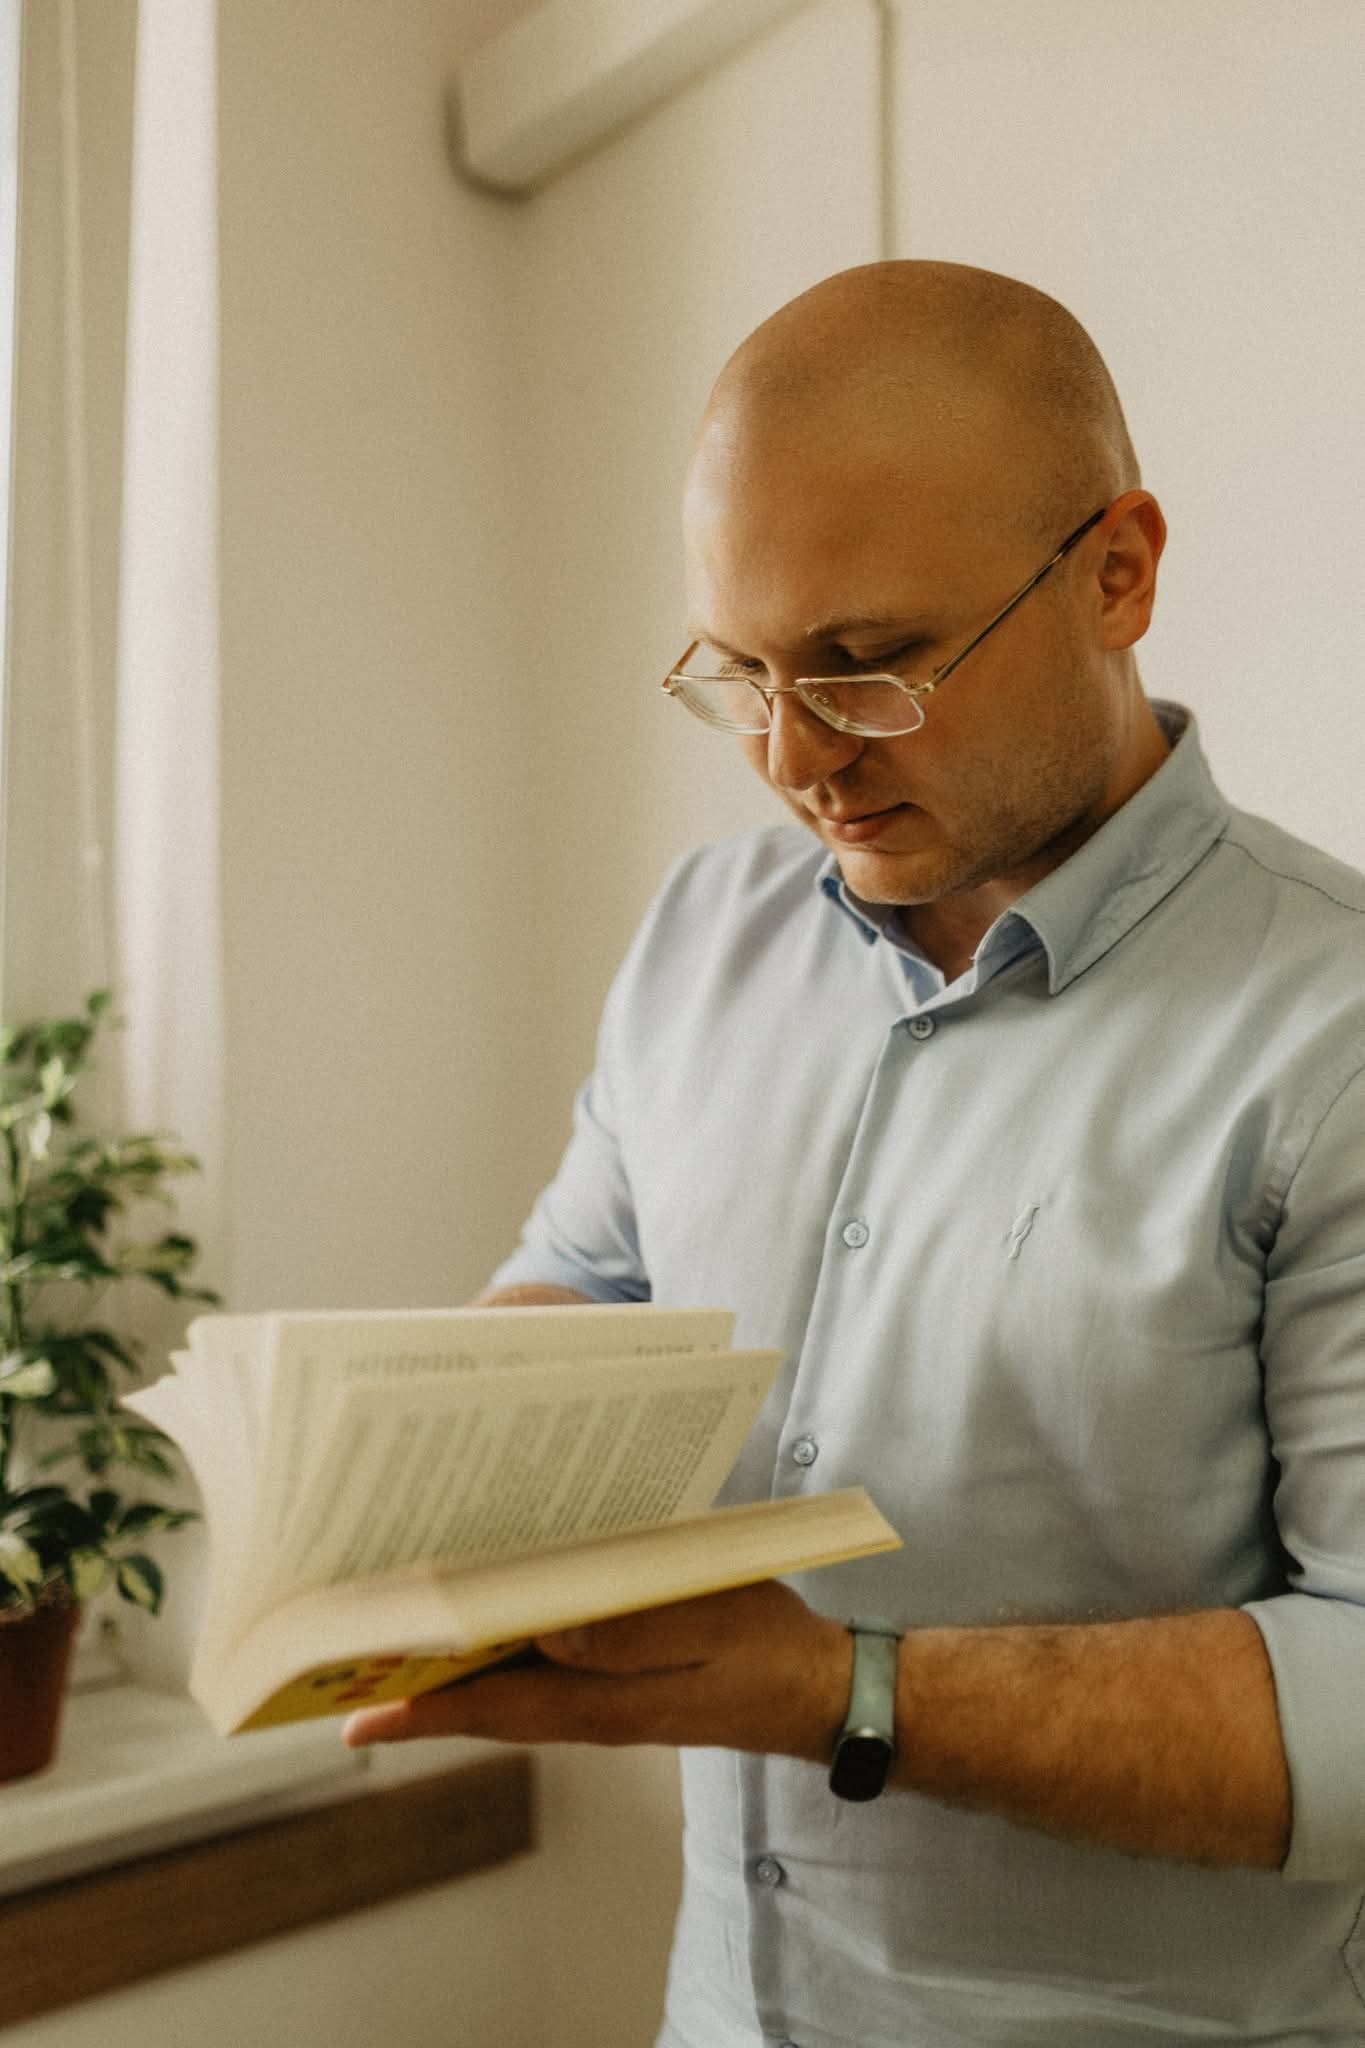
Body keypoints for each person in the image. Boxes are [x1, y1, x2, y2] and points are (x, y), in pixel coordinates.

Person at [345, 262, 1365, 2046]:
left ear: (1118, 571)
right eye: (737, 672)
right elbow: (590, 1284)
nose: (791, 756)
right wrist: (418, 1481)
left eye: (867, 666)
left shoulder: (1333, 1031)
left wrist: (835, 1690)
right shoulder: (702, 933)